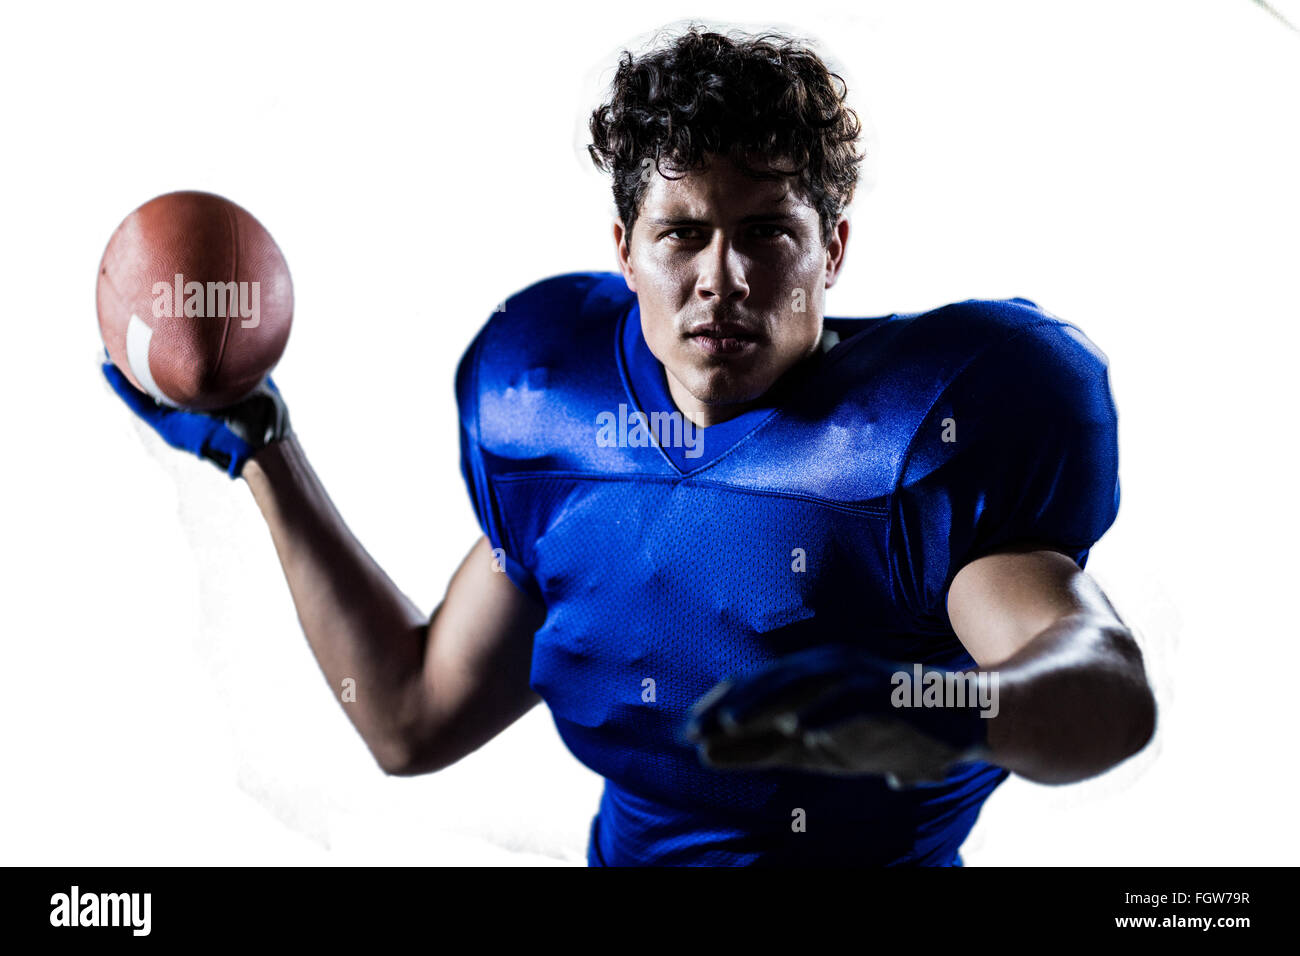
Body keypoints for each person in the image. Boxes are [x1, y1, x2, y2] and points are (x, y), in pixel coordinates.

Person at [102, 26, 1156, 866]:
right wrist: (265, 452)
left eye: (768, 234)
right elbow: (410, 718)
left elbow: (1103, 686)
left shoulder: (919, 436)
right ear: (624, 250)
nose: (723, 278)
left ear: (832, 248)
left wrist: (934, 703)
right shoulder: (556, 415)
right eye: (683, 232)